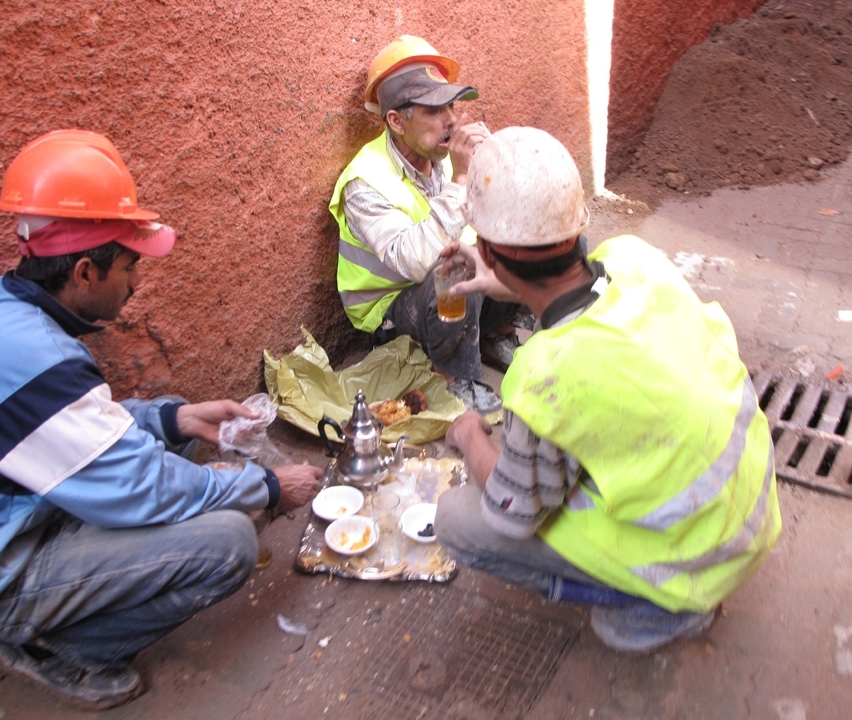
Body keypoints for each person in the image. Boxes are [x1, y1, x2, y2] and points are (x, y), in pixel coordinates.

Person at [0, 129, 324, 709]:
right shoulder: (29, 360)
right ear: (86, 273)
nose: (136, 282)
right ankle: (62, 649)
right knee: (228, 539)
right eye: (128, 266)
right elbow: (137, 484)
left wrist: (175, 419)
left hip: (2, 522)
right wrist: (269, 485)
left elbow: (64, 429)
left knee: (185, 450)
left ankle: (61, 615)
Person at [435, 127, 781, 653]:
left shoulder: (546, 376)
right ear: (576, 229)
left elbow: (512, 509)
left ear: (484, 247)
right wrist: (498, 277)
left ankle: (658, 606)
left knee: (457, 520)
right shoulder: (636, 261)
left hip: (697, 561)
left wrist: (467, 436)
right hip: (748, 518)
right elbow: (572, 286)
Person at [329, 35, 523, 415]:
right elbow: (416, 262)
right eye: (434, 110)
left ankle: (495, 334)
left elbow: (498, 215)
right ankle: (453, 377)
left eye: (451, 105)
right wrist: (463, 178)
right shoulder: (363, 183)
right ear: (397, 121)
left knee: (521, 235)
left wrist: (491, 166)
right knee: (454, 270)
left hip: (447, 291)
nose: (452, 119)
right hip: (390, 312)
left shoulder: (443, 154)